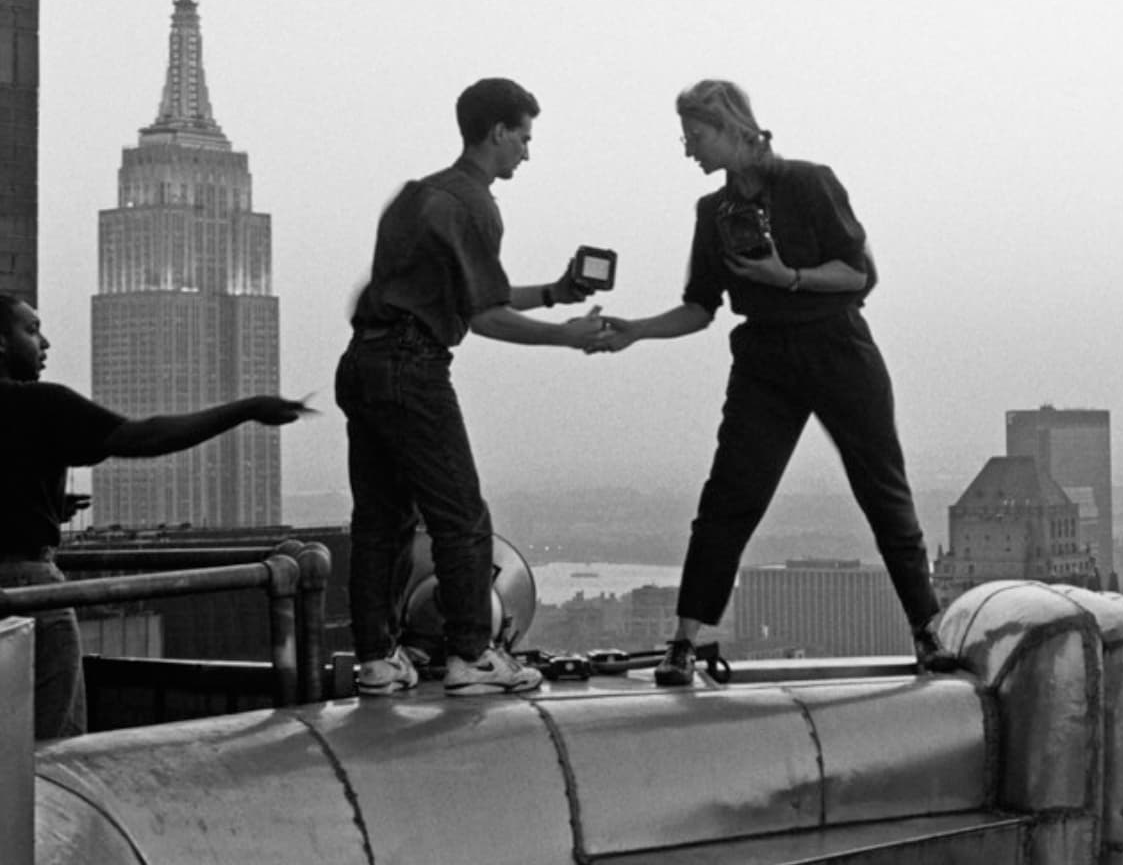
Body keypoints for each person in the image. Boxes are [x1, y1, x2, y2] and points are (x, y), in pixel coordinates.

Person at [596, 79, 950, 686]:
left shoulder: (809, 182)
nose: (689, 150)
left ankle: (927, 632)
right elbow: (701, 306)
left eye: (696, 135)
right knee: (730, 497)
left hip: (837, 346)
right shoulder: (712, 212)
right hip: (764, 357)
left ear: (732, 126)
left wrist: (785, 276)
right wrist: (636, 331)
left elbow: (858, 273)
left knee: (883, 491)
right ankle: (684, 642)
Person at [341, 77, 616, 698]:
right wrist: (569, 334)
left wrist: (552, 293)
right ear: (497, 132)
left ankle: (377, 661)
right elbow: (483, 317)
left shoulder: (418, 196)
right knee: (461, 516)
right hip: (414, 365)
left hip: (364, 363)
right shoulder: (473, 203)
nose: (526, 151)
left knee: (380, 521)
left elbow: (463, 291)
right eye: (523, 136)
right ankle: (471, 654)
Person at [0, 293, 309, 739]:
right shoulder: (40, 404)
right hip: (30, 593)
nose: (44, 342)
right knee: (53, 749)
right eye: (31, 330)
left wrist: (40, 509)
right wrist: (246, 409)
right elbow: (144, 437)